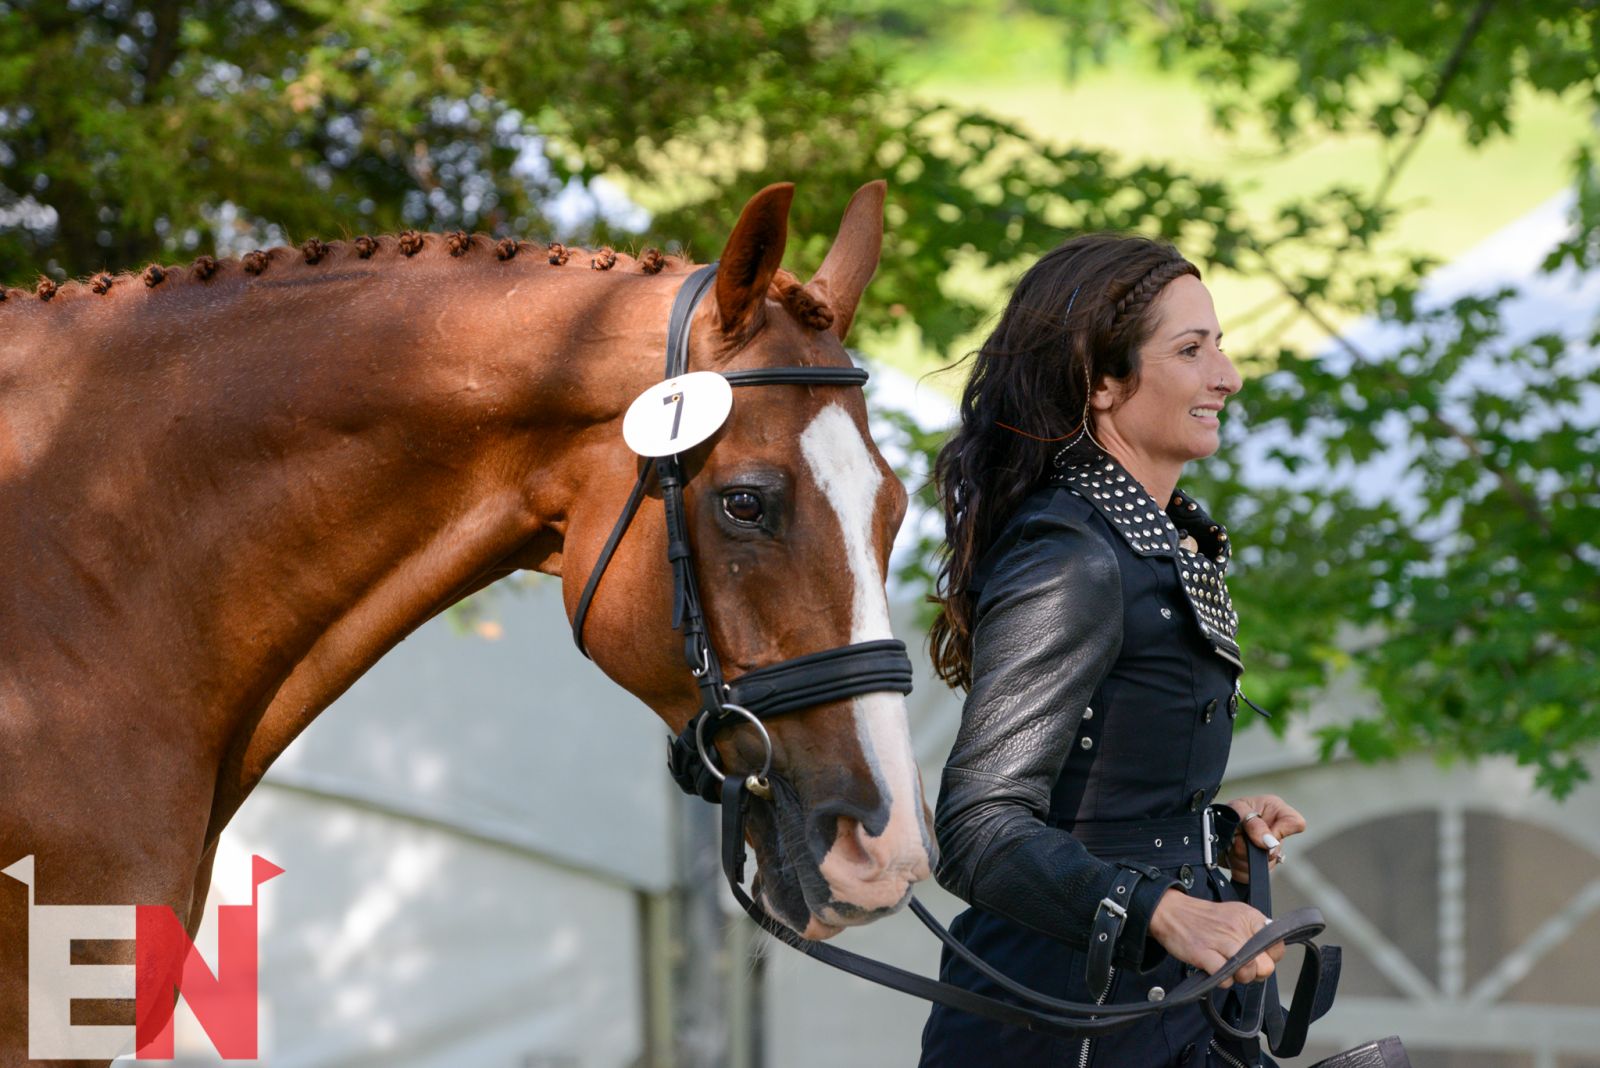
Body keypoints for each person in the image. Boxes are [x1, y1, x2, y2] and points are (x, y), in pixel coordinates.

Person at [919, 234, 1308, 1068]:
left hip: (1162, 1009)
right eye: (1191, 350)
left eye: (1221, 346)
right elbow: (977, 827)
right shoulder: (1073, 557)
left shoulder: (1145, 542)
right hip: (1061, 1029)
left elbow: (1097, 807)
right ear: (1100, 382)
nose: (1227, 377)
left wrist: (1201, 834)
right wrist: (1168, 910)